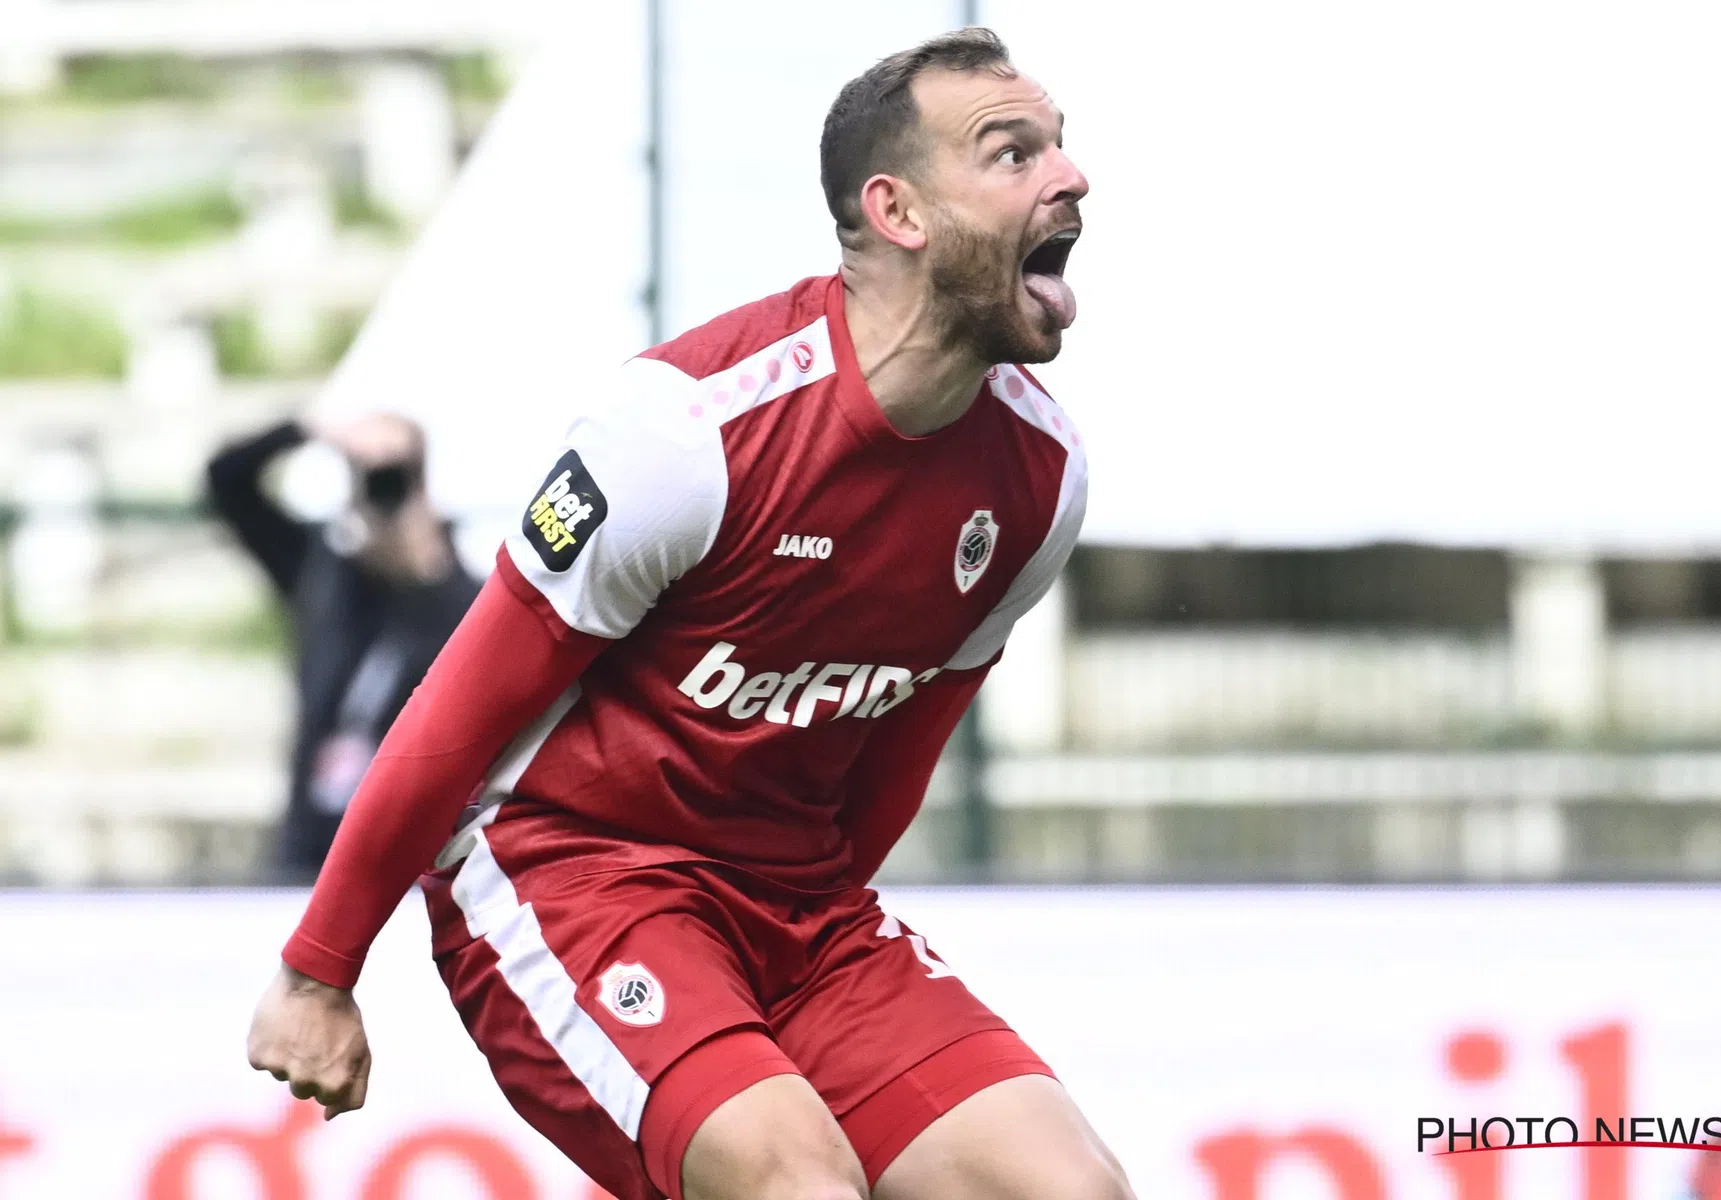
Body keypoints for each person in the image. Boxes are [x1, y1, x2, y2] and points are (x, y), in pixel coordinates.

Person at [247, 28, 1132, 1200]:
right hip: (571, 871)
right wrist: (320, 968)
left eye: (1059, 149)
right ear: (899, 212)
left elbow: (891, 765)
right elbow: (457, 709)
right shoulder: (688, 429)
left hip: (800, 908)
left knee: (1071, 1191)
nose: (1068, 176)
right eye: (1012, 154)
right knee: (796, 1184)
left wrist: (785, 992)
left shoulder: (1038, 477)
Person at [206, 412, 479, 874]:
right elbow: (227, 479)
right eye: (371, 479)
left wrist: (429, 565)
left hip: (410, 859)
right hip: (310, 851)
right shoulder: (323, 578)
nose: (383, 493)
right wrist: (309, 429)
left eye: (397, 476)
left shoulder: (461, 603)